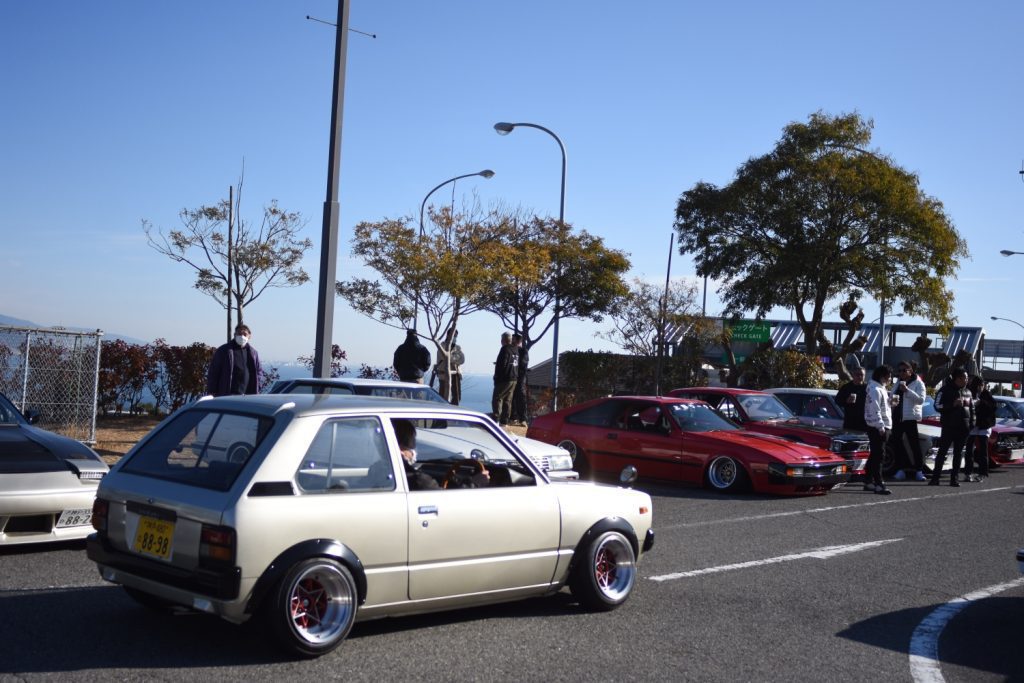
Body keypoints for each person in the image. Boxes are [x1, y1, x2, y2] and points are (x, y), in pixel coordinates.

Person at [929, 367, 975, 487]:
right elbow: (937, 406)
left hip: (963, 429)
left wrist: (971, 424)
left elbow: (972, 410)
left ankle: (954, 479)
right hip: (949, 427)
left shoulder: (968, 392)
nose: (966, 380)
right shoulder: (945, 390)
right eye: (964, 378)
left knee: (958, 454)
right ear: (957, 378)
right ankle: (935, 478)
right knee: (942, 452)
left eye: (966, 378)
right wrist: (952, 405)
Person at [890, 361, 928, 482]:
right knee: (897, 444)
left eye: (904, 370)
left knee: (914, 445)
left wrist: (907, 390)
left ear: (910, 371)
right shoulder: (897, 383)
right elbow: (893, 398)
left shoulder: (918, 383)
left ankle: (919, 471)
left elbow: (921, 400)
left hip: (910, 418)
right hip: (897, 418)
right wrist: (892, 403)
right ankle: (900, 470)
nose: (901, 372)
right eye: (899, 370)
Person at [863, 364, 894, 495]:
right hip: (877, 427)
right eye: (889, 376)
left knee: (875, 455)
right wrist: (880, 426)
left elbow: (881, 408)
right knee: (879, 456)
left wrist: (891, 404)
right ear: (882, 376)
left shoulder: (880, 388)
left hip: (880, 426)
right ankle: (879, 484)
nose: (890, 379)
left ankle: (868, 481)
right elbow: (874, 410)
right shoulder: (875, 389)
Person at [206, 324, 261, 397]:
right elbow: (214, 372)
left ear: (249, 336)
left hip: (248, 396)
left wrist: (258, 385)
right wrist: (212, 391)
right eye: (239, 334)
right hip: (228, 395)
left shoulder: (253, 353)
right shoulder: (224, 351)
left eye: (245, 334)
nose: (242, 336)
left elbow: (259, 371)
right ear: (235, 335)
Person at [392, 418, 439, 490]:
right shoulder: (418, 480)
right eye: (411, 449)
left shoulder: (377, 469)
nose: (413, 453)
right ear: (401, 449)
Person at [966, 375, 994, 482]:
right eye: (979, 385)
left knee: (983, 450)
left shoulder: (987, 394)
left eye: (982, 385)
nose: (981, 387)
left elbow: (993, 407)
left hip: (984, 425)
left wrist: (981, 402)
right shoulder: (969, 393)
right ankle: (968, 472)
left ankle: (983, 473)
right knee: (969, 449)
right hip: (973, 424)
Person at [491, 332, 518, 426]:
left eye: (501, 339)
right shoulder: (515, 349)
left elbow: (502, 364)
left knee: (497, 398)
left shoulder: (505, 349)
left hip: (505, 378)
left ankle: (496, 419)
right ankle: (504, 421)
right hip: (514, 378)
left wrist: (497, 377)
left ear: (504, 340)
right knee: (508, 400)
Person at [435, 329, 465, 405]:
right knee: (442, 396)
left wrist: (452, 358)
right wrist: (455, 357)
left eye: (456, 336)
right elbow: (446, 358)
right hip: (444, 375)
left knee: (457, 397)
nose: (455, 337)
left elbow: (462, 359)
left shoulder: (457, 347)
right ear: (448, 335)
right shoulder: (442, 346)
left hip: (455, 375)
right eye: (454, 335)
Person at [836, 367, 868, 431]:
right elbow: (837, 400)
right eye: (857, 374)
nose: (860, 377)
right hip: (850, 422)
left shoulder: (868, 388)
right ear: (853, 375)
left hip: (864, 423)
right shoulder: (846, 387)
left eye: (862, 375)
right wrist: (846, 401)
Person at [510, 333, 529, 426]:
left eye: (513, 339)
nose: (511, 341)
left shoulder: (523, 351)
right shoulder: (510, 350)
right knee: (511, 397)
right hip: (511, 377)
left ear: (518, 341)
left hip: (520, 378)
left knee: (520, 397)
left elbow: (523, 365)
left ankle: (523, 419)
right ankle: (513, 417)